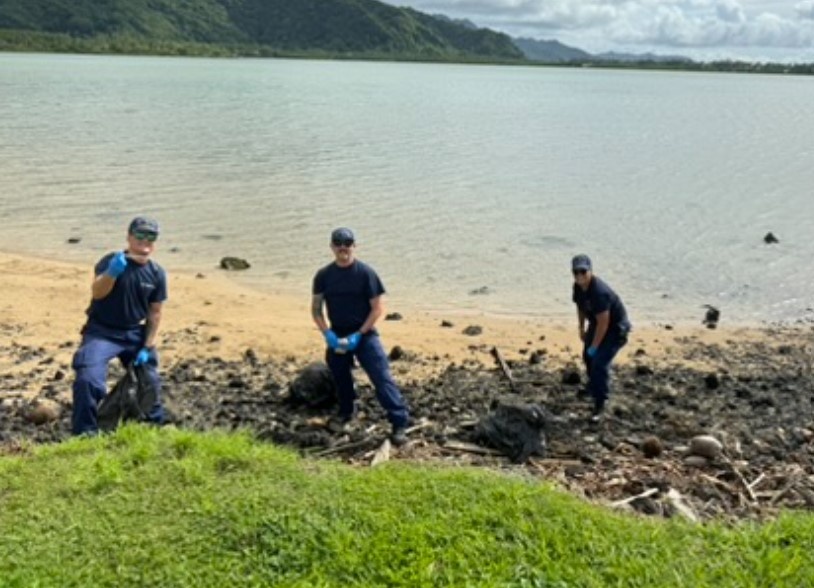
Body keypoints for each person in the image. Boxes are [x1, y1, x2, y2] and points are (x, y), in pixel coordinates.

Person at [311, 227, 410, 446]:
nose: (343, 248)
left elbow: (377, 309)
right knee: (340, 376)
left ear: (354, 246)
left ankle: (399, 422)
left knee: (381, 377)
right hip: (337, 334)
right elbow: (316, 309)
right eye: (338, 244)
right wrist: (327, 333)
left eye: (347, 244)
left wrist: (359, 334)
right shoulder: (323, 276)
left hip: (365, 335)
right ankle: (347, 411)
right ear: (332, 247)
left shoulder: (366, 273)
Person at [71, 216, 167, 435]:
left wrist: (147, 346)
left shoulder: (157, 273)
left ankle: (154, 424)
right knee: (88, 378)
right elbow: (97, 292)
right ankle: (85, 433)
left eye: (151, 236)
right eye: (140, 235)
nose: (145, 241)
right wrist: (113, 273)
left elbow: (155, 312)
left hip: (134, 332)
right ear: (129, 237)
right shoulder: (111, 261)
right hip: (102, 332)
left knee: (149, 379)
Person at [571, 254, 631, 422]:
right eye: (576, 272)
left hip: (615, 329)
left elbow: (604, 322)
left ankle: (601, 401)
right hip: (596, 323)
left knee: (599, 362)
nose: (579, 276)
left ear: (590, 271)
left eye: (583, 271)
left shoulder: (599, 292)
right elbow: (581, 307)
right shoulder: (578, 287)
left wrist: (595, 346)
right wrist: (581, 328)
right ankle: (592, 386)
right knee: (587, 357)